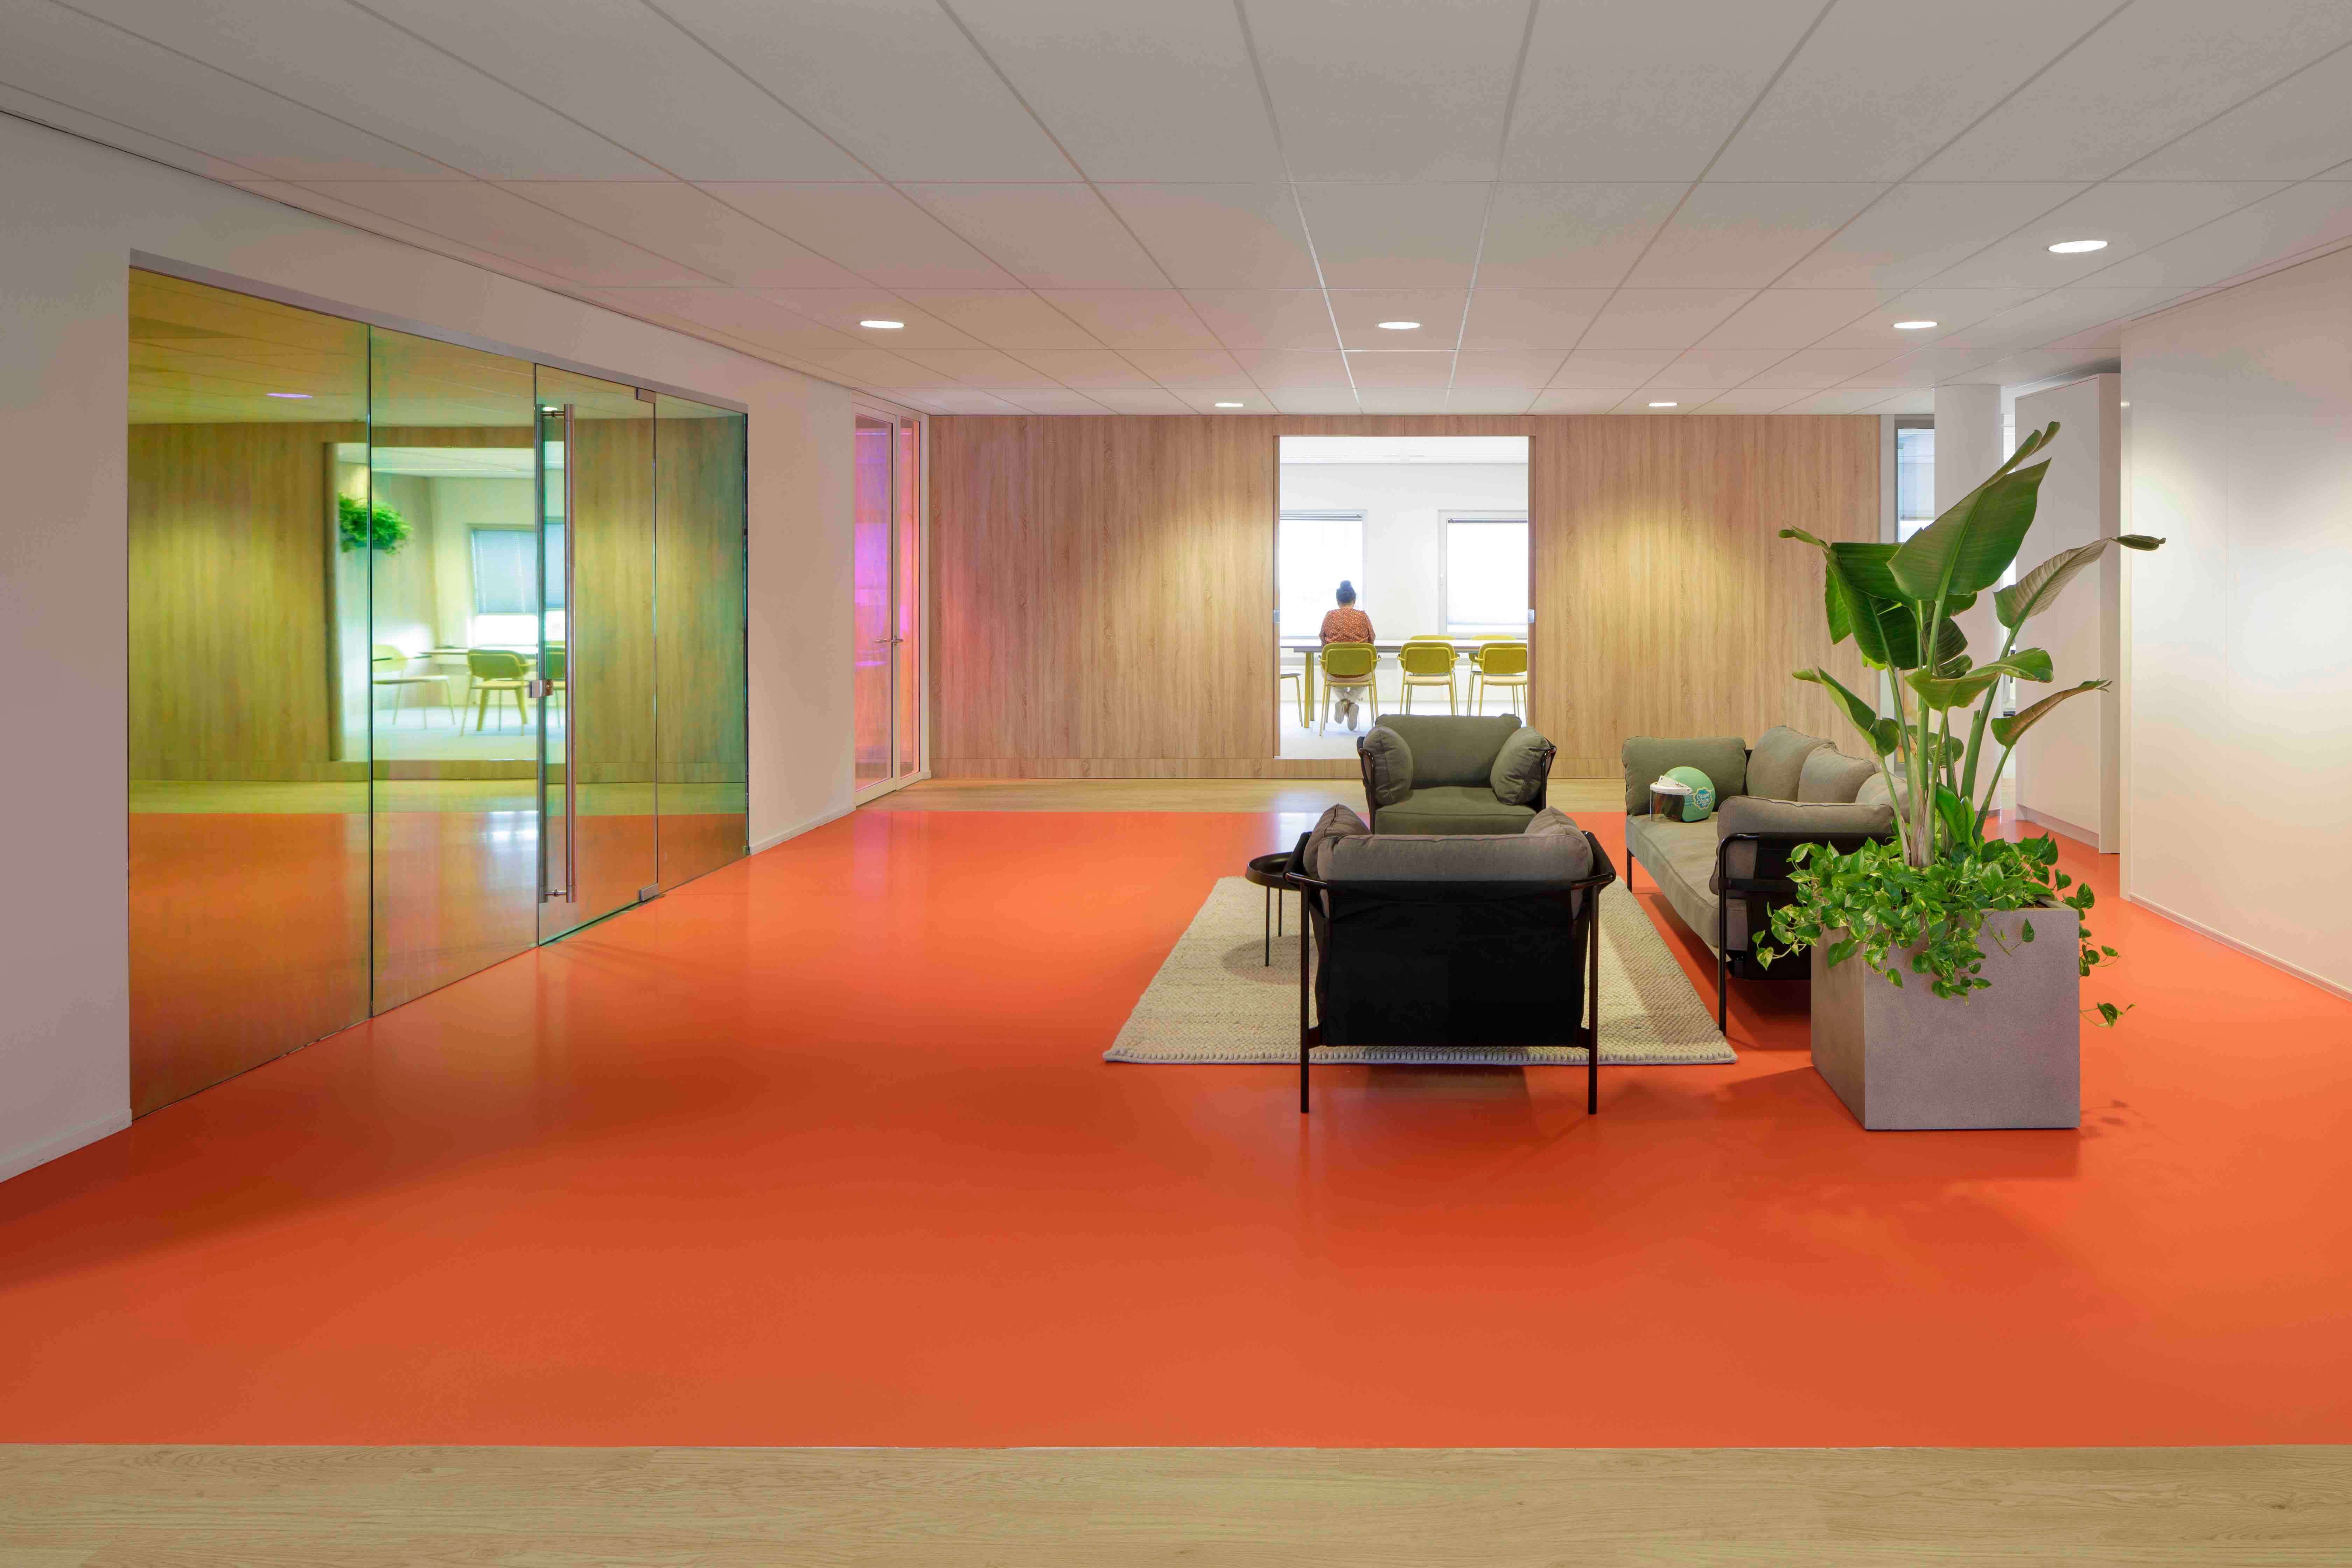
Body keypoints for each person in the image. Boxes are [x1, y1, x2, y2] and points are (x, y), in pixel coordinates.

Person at [1318, 581, 1375, 731]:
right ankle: (1350, 702)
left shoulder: (1330, 616)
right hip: (1360, 673)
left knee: (1324, 669)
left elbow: (1323, 642)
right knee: (1370, 669)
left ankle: (1345, 702)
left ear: (1338, 601)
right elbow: (1372, 641)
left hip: (1335, 672)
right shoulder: (1363, 617)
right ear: (1354, 600)